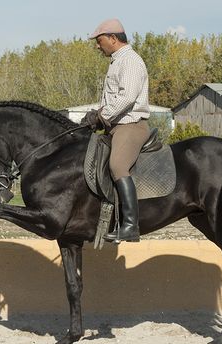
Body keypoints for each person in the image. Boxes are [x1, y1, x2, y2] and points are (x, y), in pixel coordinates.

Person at [81, 18, 150, 243]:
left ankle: (130, 225)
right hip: (116, 126)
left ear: (113, 38)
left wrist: (102, 115)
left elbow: (127, 97)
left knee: (117, 165)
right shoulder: (117, 61)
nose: (97, 45)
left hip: (130, 126)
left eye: (99, 41)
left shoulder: (129, 60)